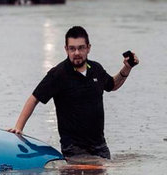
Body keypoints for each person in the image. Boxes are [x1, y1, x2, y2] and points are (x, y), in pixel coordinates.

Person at [8, 26, 139, 159]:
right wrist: (18, 128)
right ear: (66, 49)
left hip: (100, 146)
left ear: (88, 48)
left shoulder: (96, 69)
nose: (77, 52)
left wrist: (127, 68)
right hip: (73, 148)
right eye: (72, 48)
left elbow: (112, 85)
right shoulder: (58, 74)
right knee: (93, 173)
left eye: (81, 48)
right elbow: (34, 99)